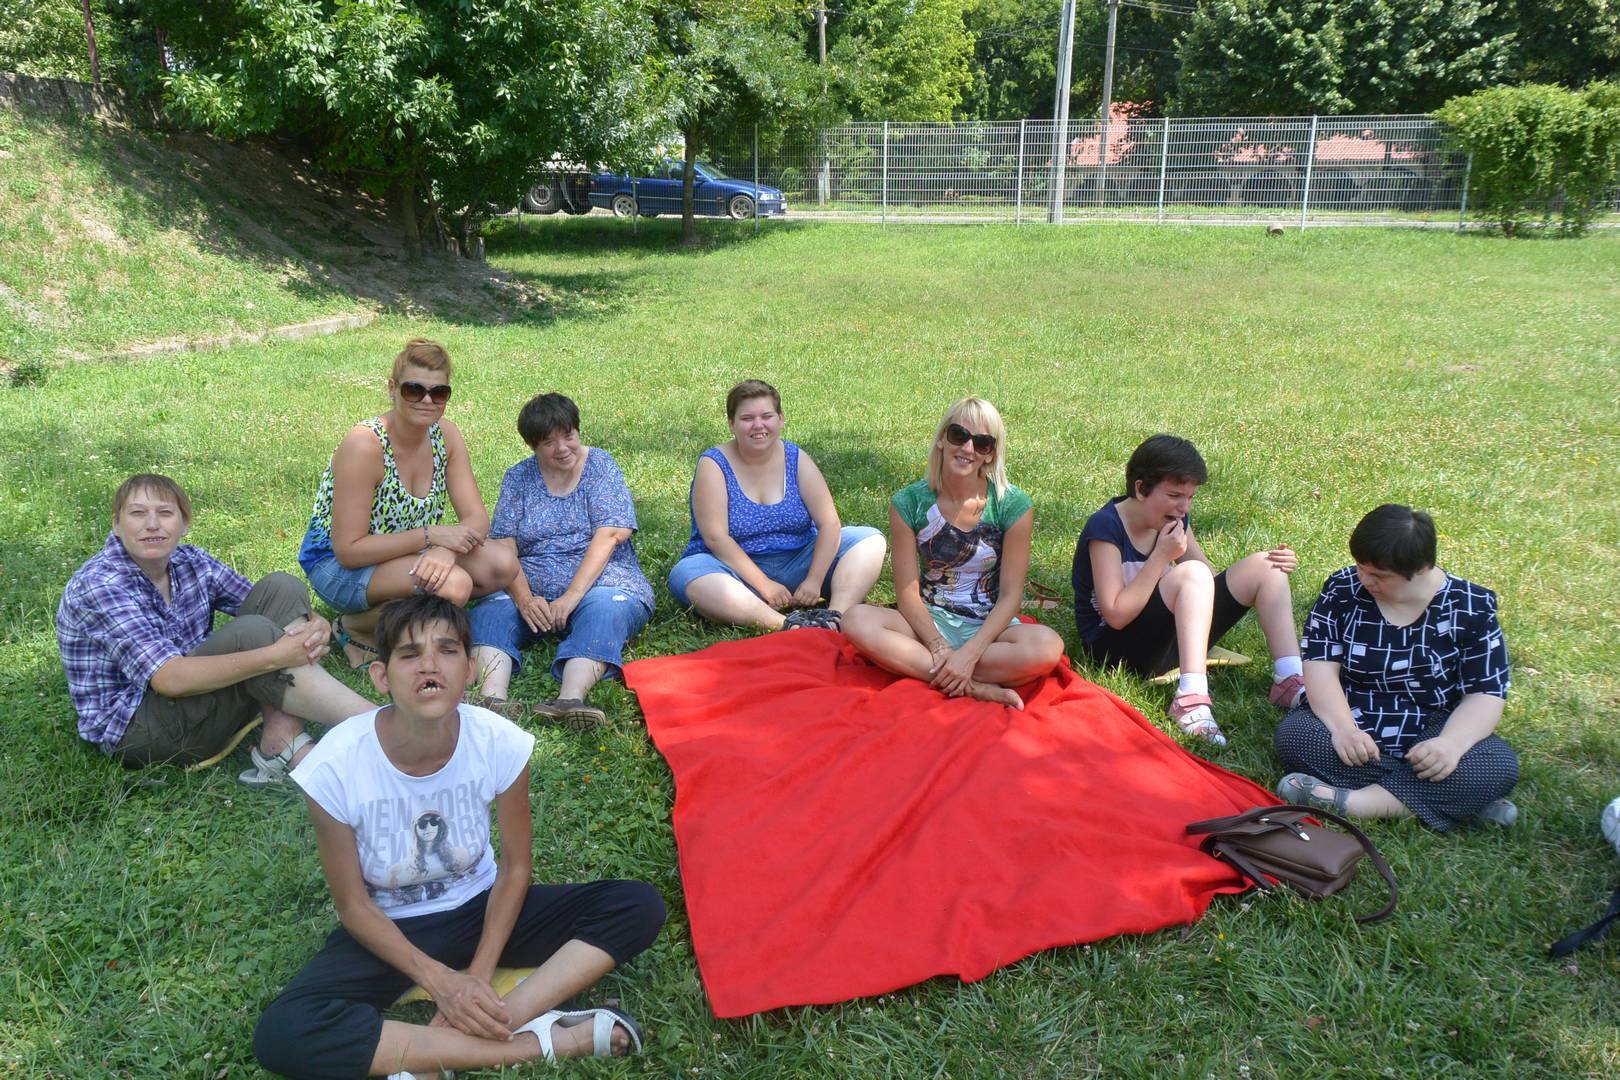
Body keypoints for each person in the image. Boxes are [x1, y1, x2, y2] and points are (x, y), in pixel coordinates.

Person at [254, 595, 666, 1079]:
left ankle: (478, 1028)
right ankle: (539, 1043)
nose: (429, 665)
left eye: (447, 650)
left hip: (481, 910)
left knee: (636, 905)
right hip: (391, 928)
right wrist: (441, 983)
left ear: (470, 669)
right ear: (381, 676)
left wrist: (478, 976)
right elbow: (354, 907)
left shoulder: (498, 741)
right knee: (283, 1032)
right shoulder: (334, 765)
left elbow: (516, 869)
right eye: (410, 654)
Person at [56, 473, 375, 785]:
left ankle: (282, 738)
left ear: (184, 524)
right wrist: (276, 655)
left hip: (190, 694)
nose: (152, 524)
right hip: (138, 728)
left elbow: (269, 604)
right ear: (116, 524)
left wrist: (314, 620)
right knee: (252, 633)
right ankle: (377, 726)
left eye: (165, 513)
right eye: (137, 513)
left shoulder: (189, 561)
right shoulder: (101, 584)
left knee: (282, 588)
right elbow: (169, 679)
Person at [1274, 504, 1519, 829]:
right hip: (1354, 714)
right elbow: (1320, 666)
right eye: (1361, 567)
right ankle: (1456, 800)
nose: (1365, 580)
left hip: (1434, 726)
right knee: (1296, 736)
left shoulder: (1470, 607)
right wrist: (1344, 729)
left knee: (1499, 764)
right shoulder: (1342, 590)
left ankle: (1351, 802)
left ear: (1421, 568)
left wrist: (1451, 745)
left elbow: (1486, 692)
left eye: (1380, 576)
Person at [1070, 434, 1304, 746]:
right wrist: (1161, 557)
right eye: (1175, 495)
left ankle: (1288, 679)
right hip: (1117, 651)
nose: (1184, 507)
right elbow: (1115, 615)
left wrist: (1269, 565)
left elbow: (1206, 578)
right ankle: (1190, 699)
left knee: (1265, 566)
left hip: (1167, 642)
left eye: (1191, 497)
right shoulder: (1106, 527)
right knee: (1190, 573)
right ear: (1140, 489)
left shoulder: (1176, 518)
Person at [297, 339, 517, 668]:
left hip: (406, 554)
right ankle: (355, 626)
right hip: (338, 566)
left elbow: (476, 517)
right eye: (414, 390)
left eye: (439, 393)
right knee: (454, 585)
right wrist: (430, 536)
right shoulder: (365, 445)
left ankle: (400, 613)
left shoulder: (446, 436)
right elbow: (348, 550)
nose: (427, 400)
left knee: (503, 563)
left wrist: (446, 550)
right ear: (392, 388)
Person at [842, 398, 1064, 710]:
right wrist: (938, 647)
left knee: (1047, 647)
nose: (968, 449)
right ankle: (975, 687)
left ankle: (929, 669)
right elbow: (907, 594)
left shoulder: (1013, 505)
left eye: (982, 443)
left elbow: (1011, 596)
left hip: (989, 628)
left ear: (991, 453)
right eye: (959, 435)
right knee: (855, 620)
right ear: (942, 439)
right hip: (928, 622)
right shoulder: (909, 502)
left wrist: (970, 653)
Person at [469, 393, 654, 726]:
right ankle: (492, 701)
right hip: (532, 580)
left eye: (568, 435)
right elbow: (504, 544)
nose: (562, 448)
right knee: (490, 613)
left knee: (605, 611)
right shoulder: (518, 477)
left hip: (602, 579)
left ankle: (570, 700)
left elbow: (611, 534)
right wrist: (525, 599)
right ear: (532, 446)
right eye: (548, 442)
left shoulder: (600, 466)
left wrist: (571, 596)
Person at [667, 379, 886, 631]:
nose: (758, 425)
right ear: (731, 424)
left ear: (780, 419)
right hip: (735, 573)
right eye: (747, 418)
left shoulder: (796, 458)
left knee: (869, 540)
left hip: (800, 562)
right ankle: (786, 625)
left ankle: (835, 617)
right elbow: (716, 538)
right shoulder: (713, 464)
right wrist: (765, 584)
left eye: (767, 416)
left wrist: (814, 580)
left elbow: (829, 523)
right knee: (687, 573)